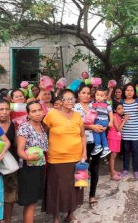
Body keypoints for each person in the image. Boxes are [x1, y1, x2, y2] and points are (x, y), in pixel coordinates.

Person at [44, 89, 86, 223]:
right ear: (60, 101)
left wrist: (84, 153)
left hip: (78, 158)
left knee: (77, 186)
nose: (70, 101)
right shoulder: (52, 115)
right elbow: (43, 133)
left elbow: (83, 135)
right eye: (67, 99)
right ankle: (55, 217)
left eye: (72, 99)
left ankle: (71, 215)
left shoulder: (78, 116)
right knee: (57, 188)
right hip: (57, 159)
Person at [17, 101, 48, 223]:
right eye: (34, 111)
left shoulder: (41, 126)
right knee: (30, 202)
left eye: (39, 110)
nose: (38, 113)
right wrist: (28, 157)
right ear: (28, 114)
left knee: (33, 202)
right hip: (29, 168)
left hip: (39, 167)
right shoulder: (25, 127)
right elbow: (20, 150)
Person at [74, 85, 103, 208]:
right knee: (81, 169)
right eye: (83, 93)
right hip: (80, 142)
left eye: (88, 93)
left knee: (95, 169)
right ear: (79, 94)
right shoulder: (74, 108)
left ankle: (92, 195)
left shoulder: (95, 106)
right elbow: (75, 125)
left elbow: (103, 119)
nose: (86, 95)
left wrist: (103, 126)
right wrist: (91, 127)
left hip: (95, 142)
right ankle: (78, 197)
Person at [0, 100, 17, 223]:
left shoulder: (15, 124)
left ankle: (7, 220)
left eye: (7, 109)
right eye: (1, 109)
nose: (4, 112)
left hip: (9, 165)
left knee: (10, 193)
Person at [119, 83, 138, 180]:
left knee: (135, 151)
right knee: (126, 151)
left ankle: (135, 170)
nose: (129, 92)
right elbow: (118, 115)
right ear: (124, 92)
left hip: (135, 131)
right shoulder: (121, 102)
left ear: (134, 92)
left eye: (131, 90)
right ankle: (125, 169)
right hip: (125, 131)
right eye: (127, 90)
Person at [108, 103, 129, 181]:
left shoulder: (119, 116)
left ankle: (113, 171)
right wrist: (125, 120)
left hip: (117, 138)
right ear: (114, 110)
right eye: (119, 109)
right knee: (113, 156)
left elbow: (119, 130)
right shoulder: (114, 116)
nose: (121, 110)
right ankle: (112, 174)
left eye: (122, 108)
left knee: (114, 156)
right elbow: (118, 128)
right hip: (113, 138)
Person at [91, 87, 113, 158]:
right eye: (97, 95)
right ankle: (106, 148)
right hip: (103, 121)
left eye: (101, 96)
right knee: (102, 134)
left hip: (100, 121)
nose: (98, 97)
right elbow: (88, 110)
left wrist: (111, 121)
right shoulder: (93, 103)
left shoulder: (107, 104)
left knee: (95, 131)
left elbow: (110, 113)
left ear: (106, 97)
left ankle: (98, 146)